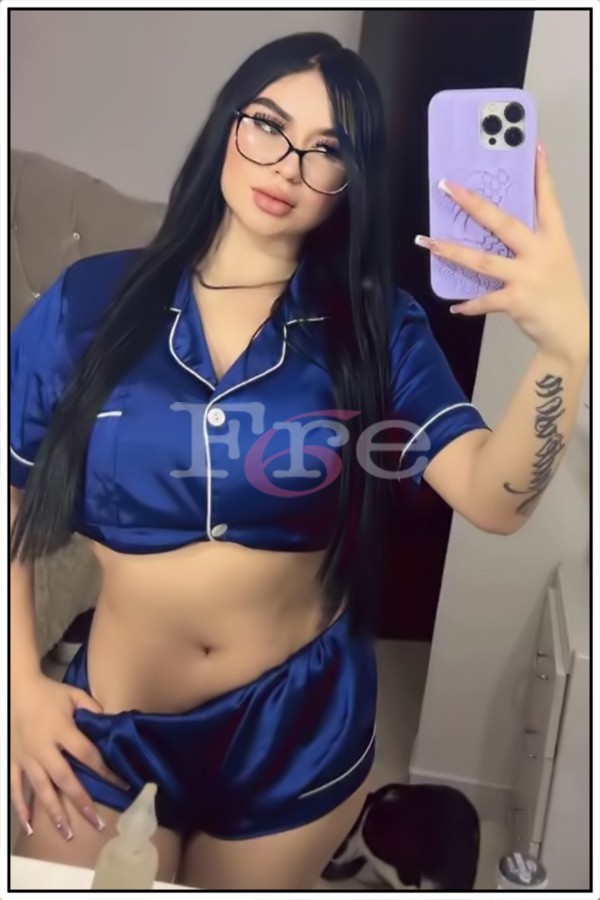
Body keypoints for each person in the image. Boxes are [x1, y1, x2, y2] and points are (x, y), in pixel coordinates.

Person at [9, 31, 589, 890]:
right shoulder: (86, 304)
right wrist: (17, 685)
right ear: (228, 125)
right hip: (109, 723)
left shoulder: (376, 326)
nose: (289, 165)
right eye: (270, 126)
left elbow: (493, 497)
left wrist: (564, 350)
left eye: (328, 149)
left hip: (297, 731)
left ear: (352, 180)